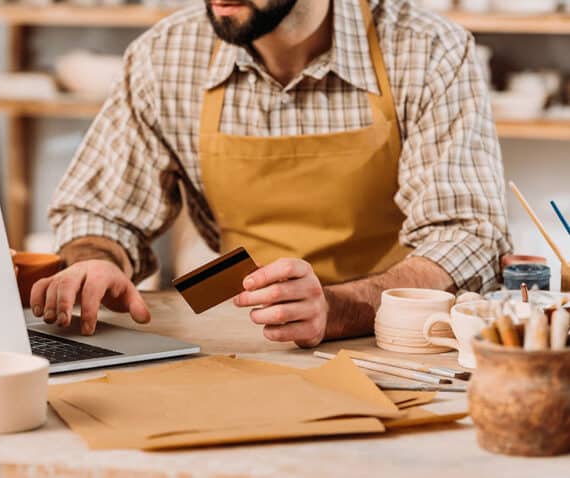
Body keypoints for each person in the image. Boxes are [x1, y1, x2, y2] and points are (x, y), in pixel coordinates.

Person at [31, 0, 511, 347]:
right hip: (241, 335)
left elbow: (467, 236)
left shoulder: (428, 49)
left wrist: (336, 307)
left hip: (395, 342)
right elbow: (100, 212)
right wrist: (96, 258)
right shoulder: (165, 54)